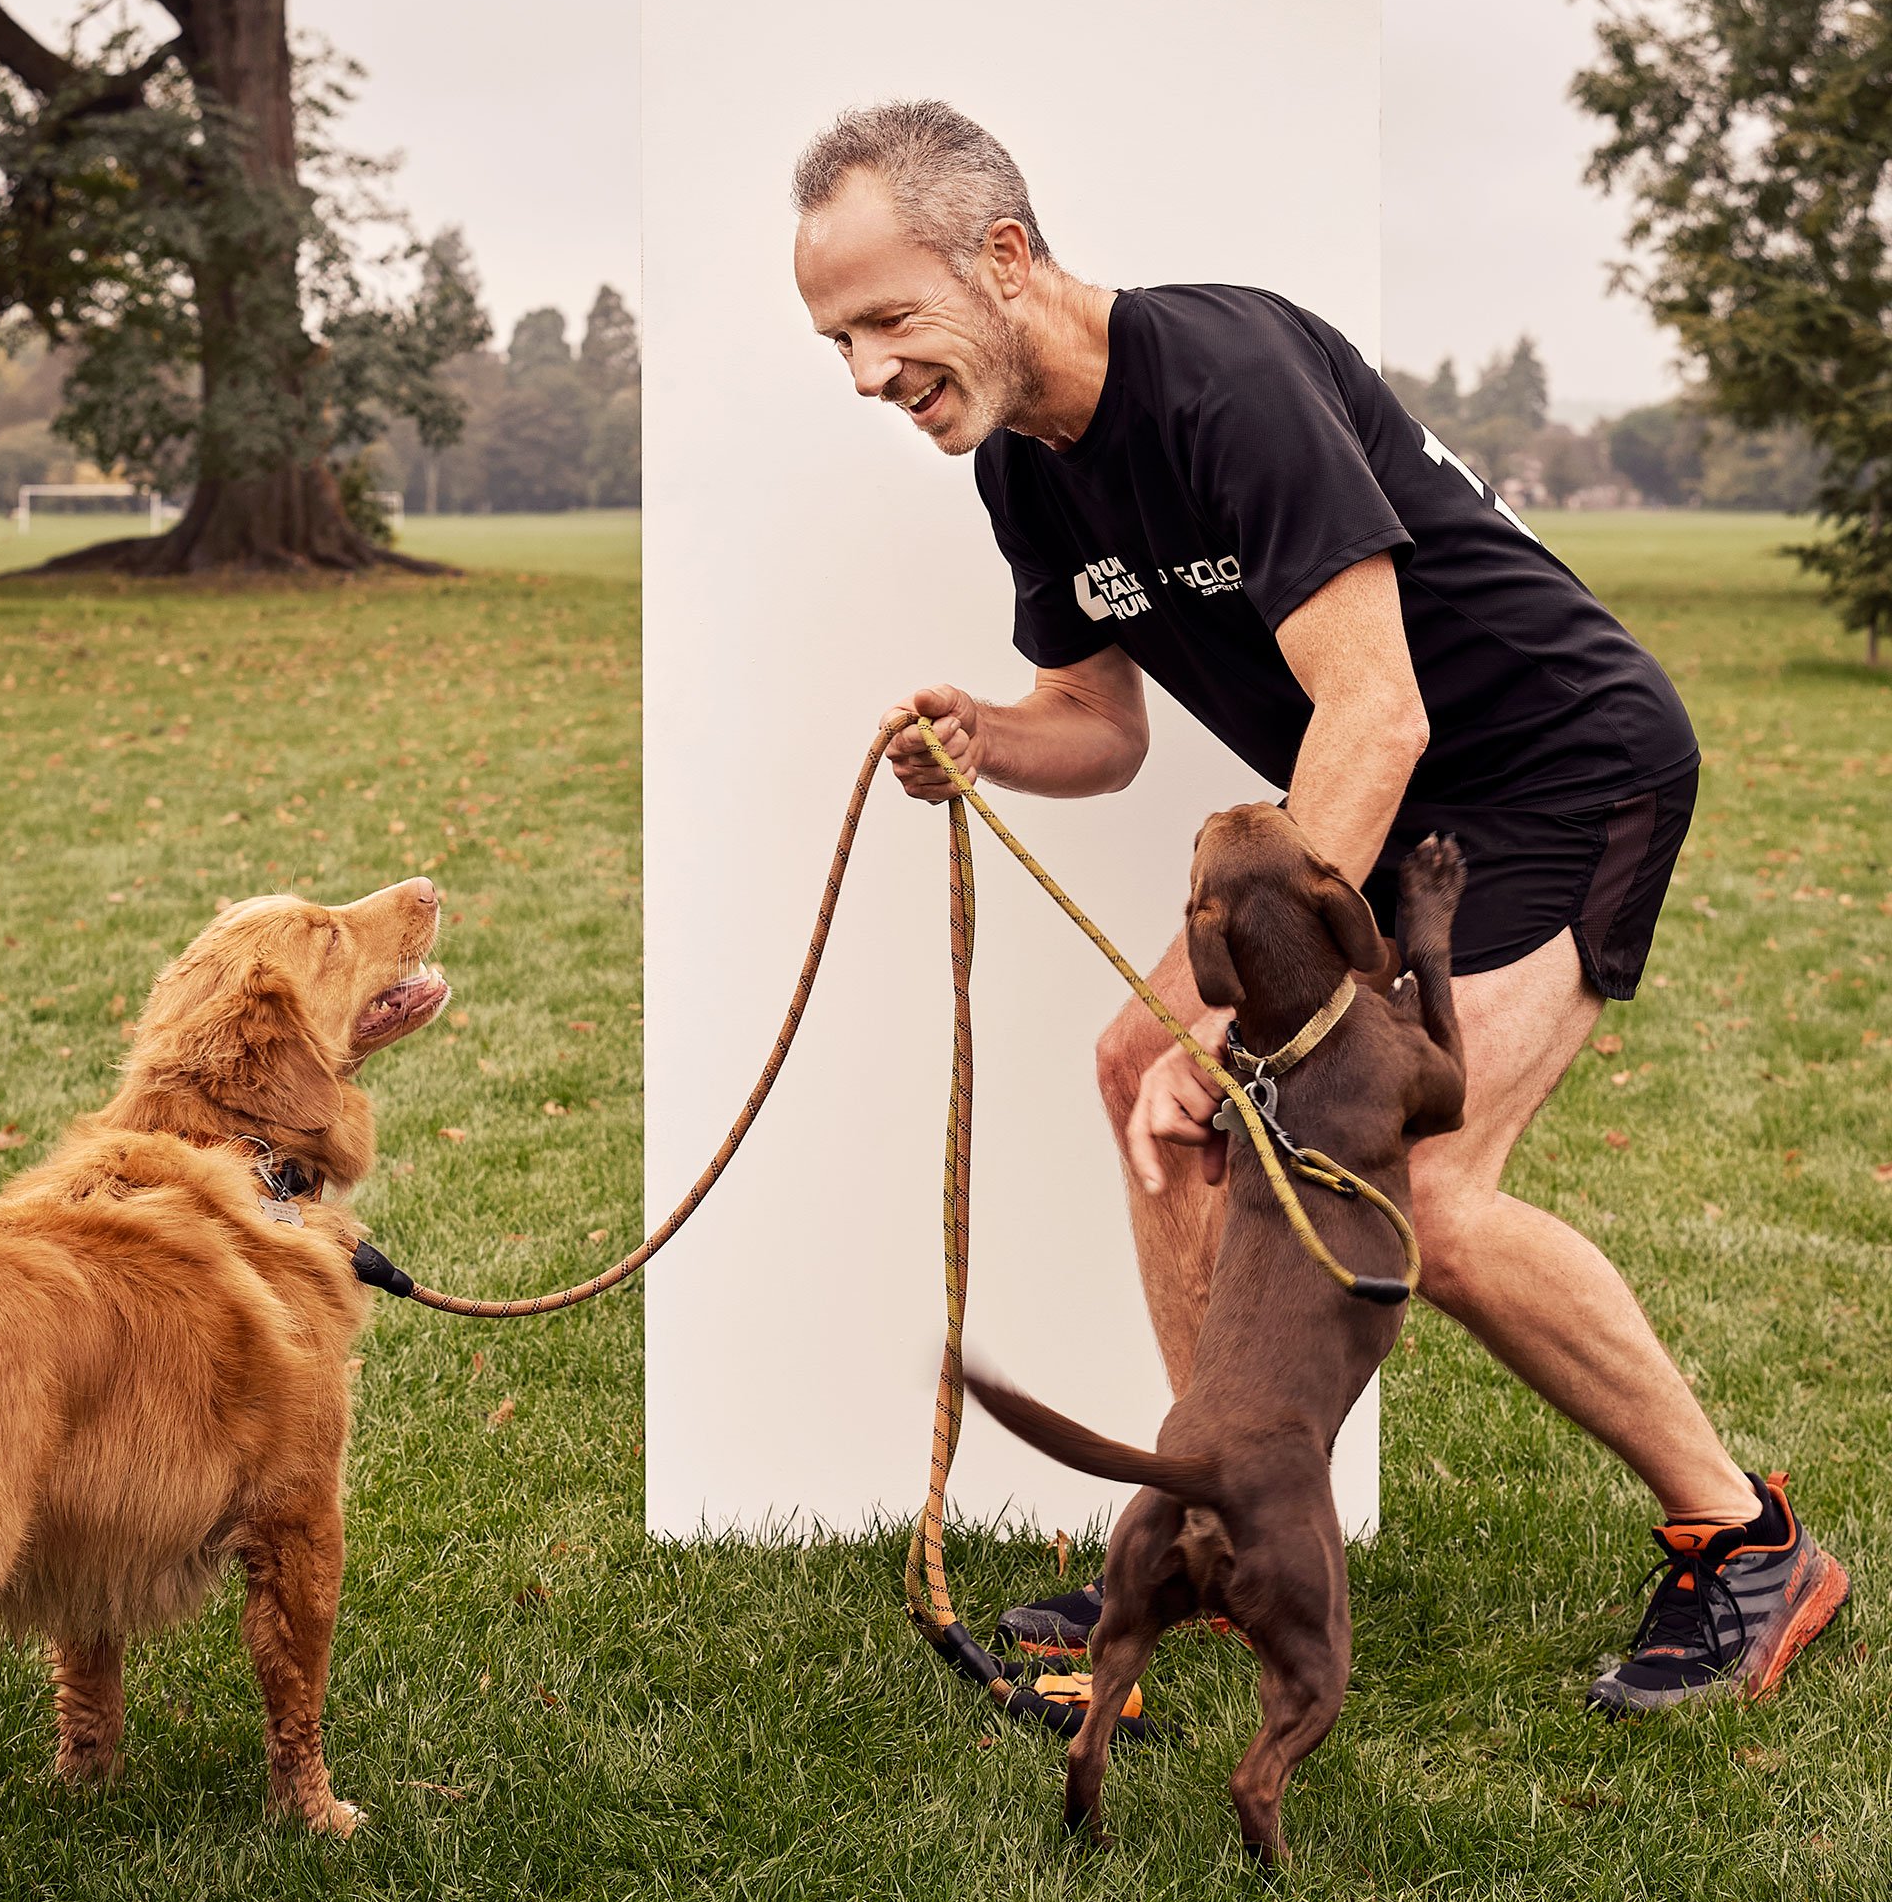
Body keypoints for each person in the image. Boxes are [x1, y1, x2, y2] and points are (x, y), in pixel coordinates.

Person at [790, 96, 1850, 1712]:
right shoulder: (1029, 468)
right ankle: (1221, 1535)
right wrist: (987, 742)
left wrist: (1226, 1010)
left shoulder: (1225, 380)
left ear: (1002, 256)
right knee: (1129, 1068)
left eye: (885, 320)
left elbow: (1379, 714)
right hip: (1385, 795)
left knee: (1417, 1183)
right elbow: (1100, 720)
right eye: (836, 342)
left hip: (1558, 769)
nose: (867, 374)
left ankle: (1746, 1541)